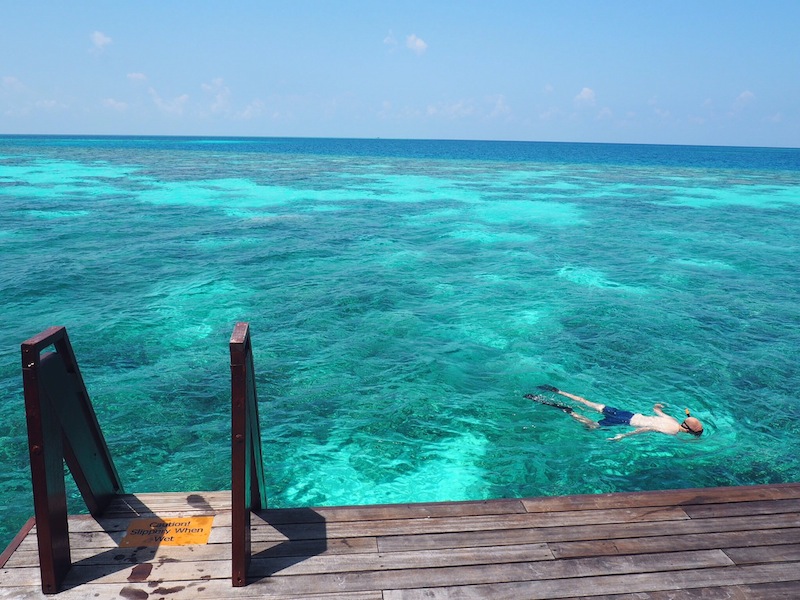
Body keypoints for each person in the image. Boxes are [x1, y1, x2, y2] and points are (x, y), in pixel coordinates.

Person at [529, 385, 704, 440]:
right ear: (688, 431)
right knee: (591, 426)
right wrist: (622, 436)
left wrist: (659, 406)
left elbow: (655, 410)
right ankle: (569, 412)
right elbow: (646, 429)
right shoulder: (672, 431)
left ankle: (558, 391)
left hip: (628, 414)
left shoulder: (672, 420)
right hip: (625, 422)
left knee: (589, 403)